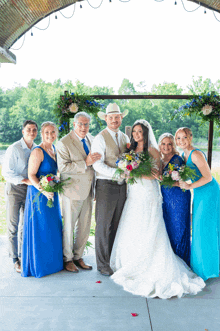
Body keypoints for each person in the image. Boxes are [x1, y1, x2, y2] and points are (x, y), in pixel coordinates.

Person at [110, 120, 205, 299]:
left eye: (140, 132)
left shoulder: (153, 151)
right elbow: (128, 169)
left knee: (150, 225)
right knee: (134, 224)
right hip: (134, 192)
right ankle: (131, 259)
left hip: (147, 192)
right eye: (135, 132)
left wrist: (133, 170)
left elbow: (154, 174)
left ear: (146, 133)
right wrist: (127, 168)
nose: (137, 134)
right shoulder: (130, 150)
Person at [56, 112, 101, 273]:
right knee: (69, 226)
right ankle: (67, 259)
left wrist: (95, 187)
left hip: (89, 189)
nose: (84, 127)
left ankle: (78, 256)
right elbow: (63, 168)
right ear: (74, 124)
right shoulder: (64, 142)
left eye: (86, 124)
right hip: (71, 191)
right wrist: (85, 163)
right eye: (80, 124)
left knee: (85, 225)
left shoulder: (92, 139)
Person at [175, 127, 220, 281]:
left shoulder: (196, 154)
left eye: (184, 137)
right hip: (200, 193)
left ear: (191, 137)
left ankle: (207, 268)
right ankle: (202, 264)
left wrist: (189, 186)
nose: (182, 141)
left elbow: (208, 177)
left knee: (203, 227)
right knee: (200, 227)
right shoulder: (183, 154)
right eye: (179, 138)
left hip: (209, 192)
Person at [91, 103, 130, 276]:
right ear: (106, 119)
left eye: (117, 117)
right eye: (111, 117)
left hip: (122, 187)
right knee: (103, 226)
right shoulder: (100, 138)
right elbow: (97, 165)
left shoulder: (124, 137)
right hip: (106, 185)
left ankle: (113, 259)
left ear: (121, 118)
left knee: (117, 224)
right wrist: (117, 173)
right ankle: (102, 264)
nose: (114, 120)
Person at [21, 121, 63, 278]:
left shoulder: (54, 150)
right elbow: (31, 175)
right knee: (41, 227)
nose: (50, 135)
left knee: (52, 226)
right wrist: (44, 190)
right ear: (42, 134)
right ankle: (40, 265)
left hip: (52, 193)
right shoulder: (38, 151)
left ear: (56, 134)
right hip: (39, 195)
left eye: (53, 132)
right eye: (47, 132)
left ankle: (54, 263)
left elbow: (56, 171)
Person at [2, 120, 38, 273]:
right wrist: (24, 180)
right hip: (15, 189)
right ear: (23, 131)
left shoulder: (36, 148)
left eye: (34, 130)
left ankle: (24, 255)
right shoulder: (14, 148)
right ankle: (14, 258)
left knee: (25, 224)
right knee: (13, 225)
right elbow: (6, 173)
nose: (32, 132)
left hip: (30, 191)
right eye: (29, 129)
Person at [158, 133, 191, 266]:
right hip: (166, 199)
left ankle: (182, 262)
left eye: (169, 144)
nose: (166, 147)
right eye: (164, 144)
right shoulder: (158, 160)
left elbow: (182, 182)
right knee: (169, 229)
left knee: (179, 229)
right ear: (160, 145)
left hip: (178, 198)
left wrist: (163, 180)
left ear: (173, 145)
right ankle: (171, 263)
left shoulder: (177, 160)